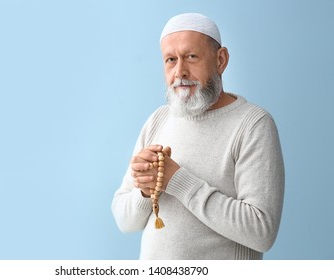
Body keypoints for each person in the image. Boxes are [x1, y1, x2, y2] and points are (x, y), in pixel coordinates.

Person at [111, 13, 284, 260]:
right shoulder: (158, 120)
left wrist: (177, 180)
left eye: (191, 57)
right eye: (171, 60)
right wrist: (146, 191)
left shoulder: (253, 125)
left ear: (221, 60)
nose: (180, 71)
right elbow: (124, 221)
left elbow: (261, 231)